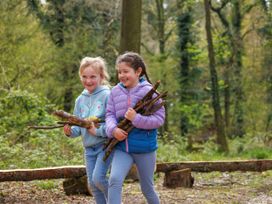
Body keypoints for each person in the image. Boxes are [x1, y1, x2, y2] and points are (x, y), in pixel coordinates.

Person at [106, 52, 165, 204]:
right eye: (119, 72)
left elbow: (159, 119)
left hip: (145, 148)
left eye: (126, 71)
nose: (122, 75)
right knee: (114, 180)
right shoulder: (115, 92)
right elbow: (110, 115)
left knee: (147, 188)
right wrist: (113, 130)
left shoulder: (150, 92)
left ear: (138, 71)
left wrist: (136, 119)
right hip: (122, 147)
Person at [63, 56, 112, 204]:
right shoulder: (80, 100)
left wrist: (97, 131)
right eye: (84, 77)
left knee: (99, 179)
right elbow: (79, 128)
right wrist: (70, 131)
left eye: (92, 77)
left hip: (105, 145)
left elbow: (112, 123)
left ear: (101, 77)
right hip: (88, 149)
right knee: (92, 184)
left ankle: (115, 200)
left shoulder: (107, 95)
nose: (88, 81)